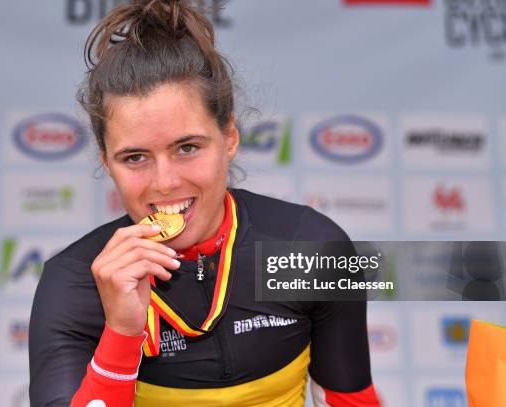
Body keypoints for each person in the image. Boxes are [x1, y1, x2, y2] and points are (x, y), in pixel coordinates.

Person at [29, 1, 382, 406]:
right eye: (135, 157)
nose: (165, 182)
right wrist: (122, 334)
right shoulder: (73, 283)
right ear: (106, 161)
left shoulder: (311, 250)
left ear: (229, 137)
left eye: (187, 147)